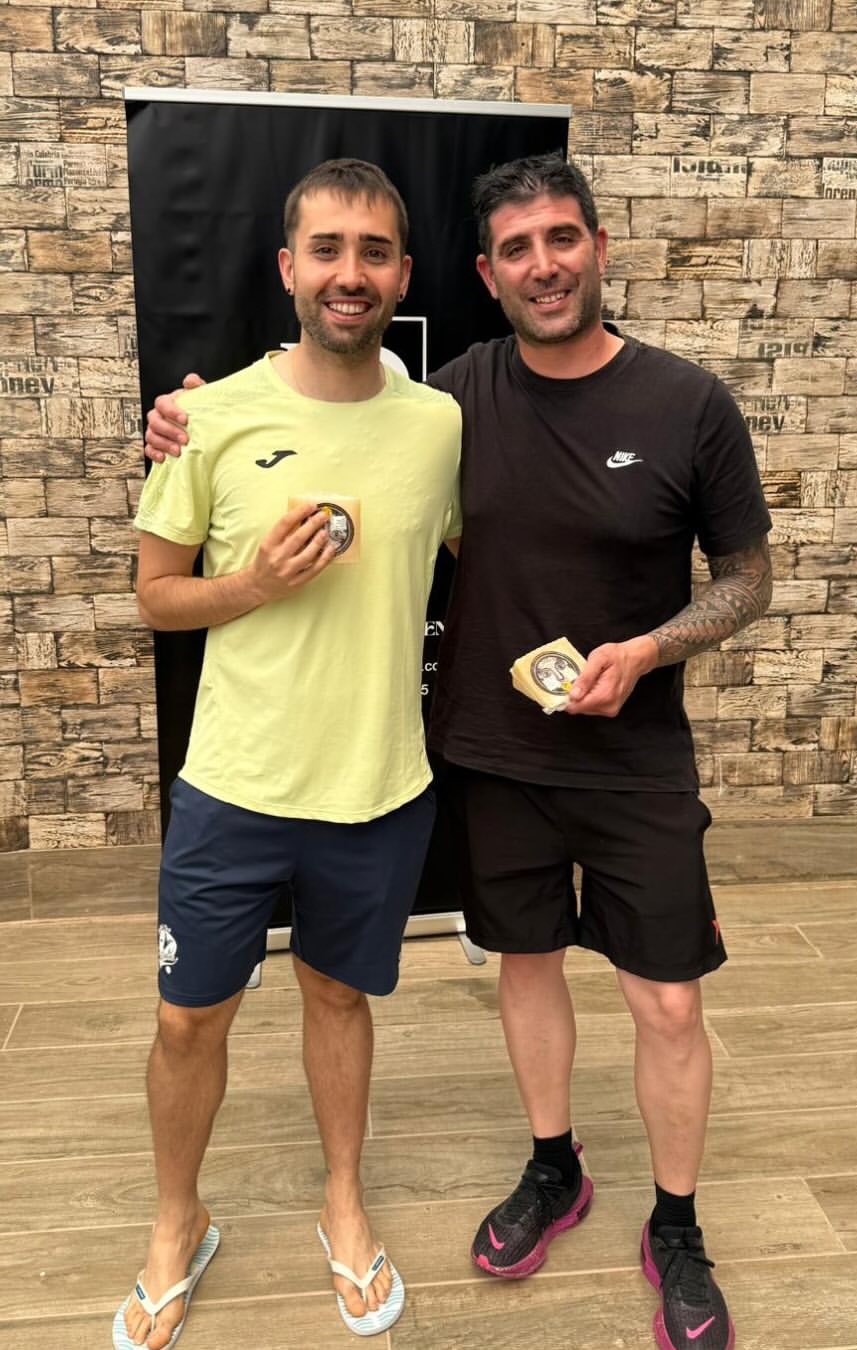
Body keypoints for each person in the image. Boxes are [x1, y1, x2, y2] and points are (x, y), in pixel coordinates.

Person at [143, 153, 771, 1350]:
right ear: (486, 275)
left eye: (563, 239)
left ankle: (678, 1226)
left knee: (667, 1000)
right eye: (518, 248)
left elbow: (748, 579)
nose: (545, 265)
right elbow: (323, 415)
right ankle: (553, 1167)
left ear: (598, 248)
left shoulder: (681, 403)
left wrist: (651, 649)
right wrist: (189, 420)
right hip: (492, 750)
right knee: (523, 969)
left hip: (631, 758)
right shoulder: (453, 399)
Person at [117, 158, 461, 1350]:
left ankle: (343, 1204)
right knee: (186, 1021)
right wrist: (256, 583)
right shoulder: (207, 418)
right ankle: (178, 1221)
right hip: (235, 787)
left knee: (338, 997)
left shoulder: (440, 426)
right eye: (327, 249)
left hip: (377, 787)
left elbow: (502, 541)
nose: (348, 273)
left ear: (402, 275)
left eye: (373, 251)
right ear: (287, 269)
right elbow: (156, 597)